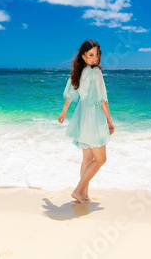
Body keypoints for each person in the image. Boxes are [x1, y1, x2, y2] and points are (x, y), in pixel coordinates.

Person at [58, 40, 115, 204]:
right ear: (83, 56)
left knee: (87, 159)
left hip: (81, 116)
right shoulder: (95, 72)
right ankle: (78, 190)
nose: (95, 58)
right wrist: (109, 121)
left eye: (97, 54)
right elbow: (103, 100)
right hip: (93, 117)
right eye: (91, 55)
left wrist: (63, 112)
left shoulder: (78, 72)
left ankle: (83, 193)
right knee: (100, 160)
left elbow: (70, 94)